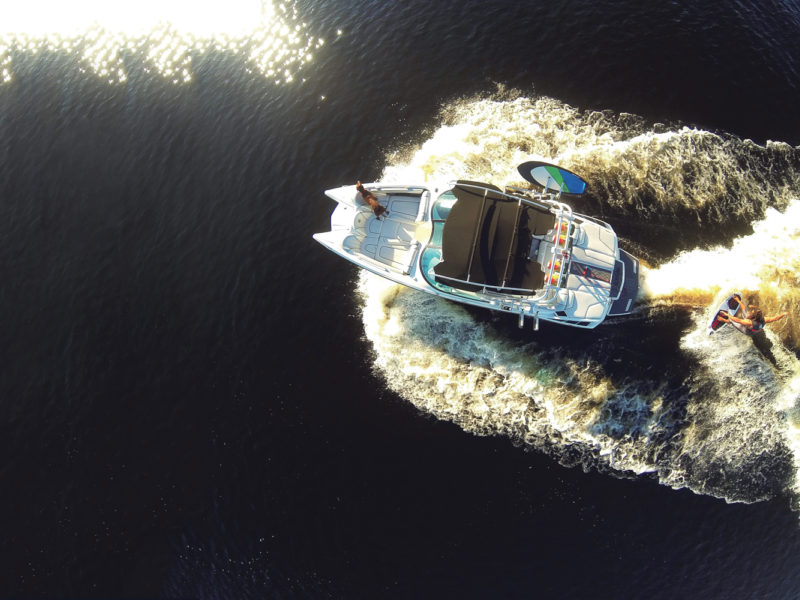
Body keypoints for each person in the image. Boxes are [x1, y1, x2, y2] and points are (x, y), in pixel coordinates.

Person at [718, 295, 788, 333]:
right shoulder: (765, 319)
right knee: (745, 312)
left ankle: (723, 320)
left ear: (753, 317)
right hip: (756, 328)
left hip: (746, 330)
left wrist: (727, 315)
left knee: (732, 321)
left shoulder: (749, 322)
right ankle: (737, 301)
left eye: (752, 312)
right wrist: (783, 314)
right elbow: (775, 318)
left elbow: (737, 320)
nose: (751, 311)